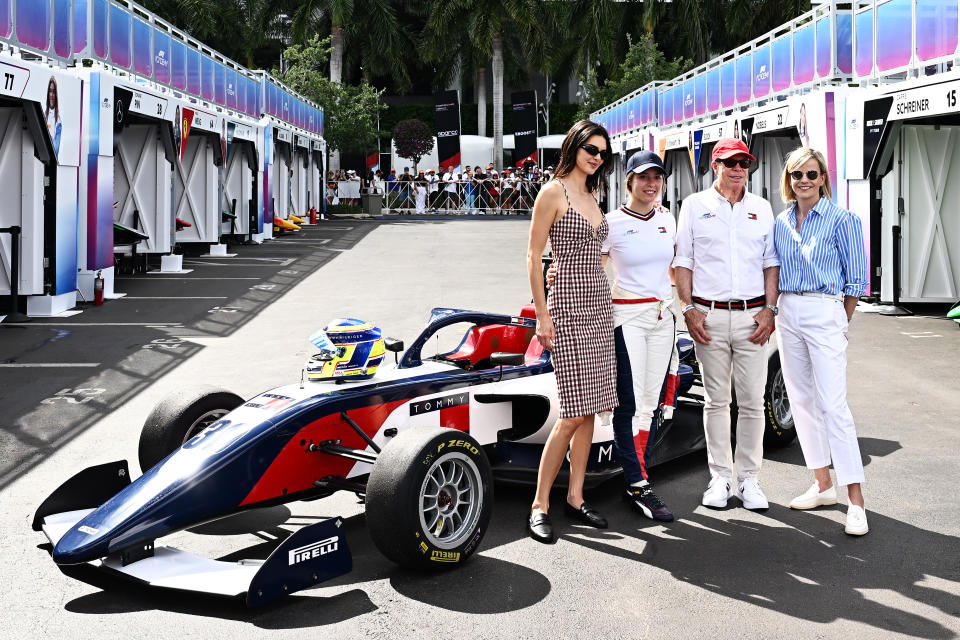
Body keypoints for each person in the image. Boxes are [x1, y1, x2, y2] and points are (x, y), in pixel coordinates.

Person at [674, 138, 779, 511]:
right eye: (731, 162)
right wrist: (688, 308)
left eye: (744, 163)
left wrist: (770, 310)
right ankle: (720, 477)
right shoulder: (694, 206)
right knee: (717, 401)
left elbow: (771, 263)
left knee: (751, 402)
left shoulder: (762, 208)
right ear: (715, 165)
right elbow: (683, 260)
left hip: (754, 318)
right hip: (709, 316)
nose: (738, 169)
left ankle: (749, 479)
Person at [526, 120, 617, 544]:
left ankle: (576, 496)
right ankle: (540, 504)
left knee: (591, 406)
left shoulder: (593, 194)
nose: (596, 156)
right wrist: (543, 317)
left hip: (599, 306)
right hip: (567, 308)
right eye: (590, 148)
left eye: (602, 152)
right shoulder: (554, 191)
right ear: (574, 146)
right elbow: (532, 256)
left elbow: (598, 254)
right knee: (573, 412)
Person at [774, 147, 869, 535]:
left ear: (822, 178)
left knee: (834, 405)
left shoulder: (842, 219)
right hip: (788, 311)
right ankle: (822, 484)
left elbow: (857, 278)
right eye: (797, 175)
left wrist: (839, 319)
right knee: (801, 401)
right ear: (789, 180)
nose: (805, 181)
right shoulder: (780, 222)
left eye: (812, 174)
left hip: (824, 309)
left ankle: (856, 502)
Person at [45, 77, 61, 156]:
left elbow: (56, 149)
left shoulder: (58, 120)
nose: (51, 95)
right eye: (50, 91)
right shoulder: (44, 115)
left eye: (54, 92)